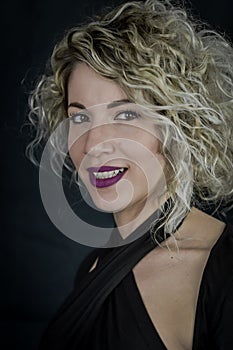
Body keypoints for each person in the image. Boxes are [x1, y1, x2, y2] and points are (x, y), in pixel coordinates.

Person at [27, 0, 233, 349]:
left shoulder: (221, 270)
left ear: (179, 126)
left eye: (125, 115)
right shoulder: (93, 268)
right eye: (79, 117)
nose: (94, 144)